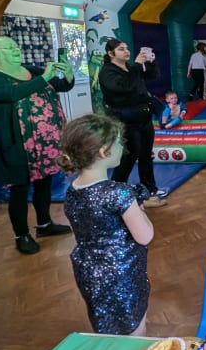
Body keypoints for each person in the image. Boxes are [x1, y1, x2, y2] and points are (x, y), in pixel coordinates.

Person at [0, 36, 74, 255]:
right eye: (9, 47)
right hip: (18, 145)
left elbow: (60, 86)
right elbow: (12, 94)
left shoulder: (30, 70)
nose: (16, 49)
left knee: (44, 184)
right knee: (19, 191)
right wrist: (45, 77)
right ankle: (21, 235)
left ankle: (44, 224)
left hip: (46, 143)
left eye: (15, 46)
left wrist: (67, 74)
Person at [58, 113, 154, 335]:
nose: (122, 146)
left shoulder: (72, 191)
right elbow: (145, 236)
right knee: (134, 329)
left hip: (88, 271)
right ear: (103, 151)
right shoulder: (118, 193)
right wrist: (141, 212)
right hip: (121, 272)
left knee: (106, 324)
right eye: (119, 142)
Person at [98, 39, 166, 204]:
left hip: (143, 117)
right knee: (129, 156)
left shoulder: (129, 67)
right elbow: (124, 87)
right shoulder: (107, 72)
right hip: (125, 120)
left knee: (146, 154)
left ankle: (149, 188)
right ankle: (115, 194)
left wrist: (151, 62)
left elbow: (152, 76)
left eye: (127, 48)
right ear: (111, 53)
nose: (126, 51)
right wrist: (136, 65)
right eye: (121, 49)